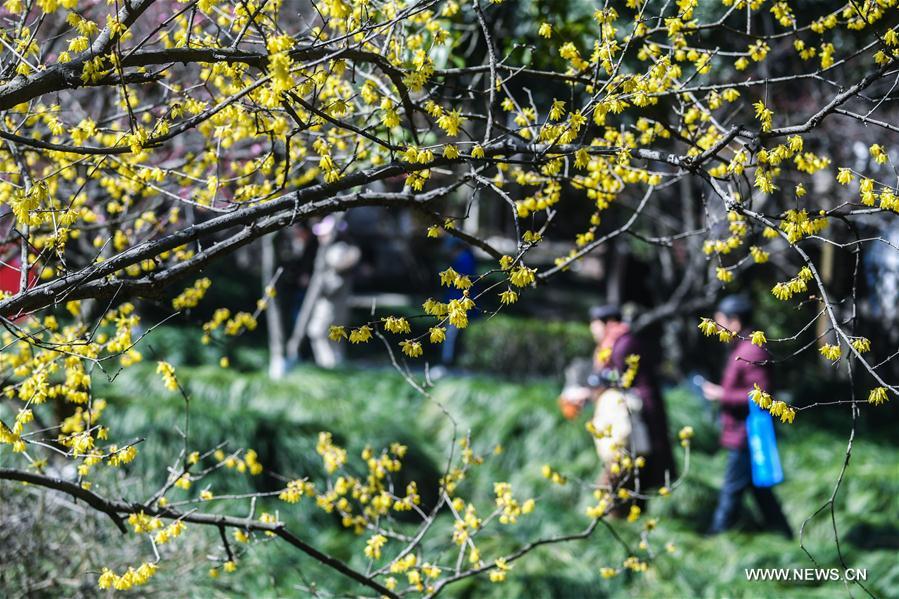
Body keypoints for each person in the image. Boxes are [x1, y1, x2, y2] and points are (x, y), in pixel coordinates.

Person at [702, 294, 793, 538]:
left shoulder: (752, 351)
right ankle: (784, 535)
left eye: (721, 322)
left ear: (735, 322)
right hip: (741, 430)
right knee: (759, 489)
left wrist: (722, 395)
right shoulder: (743, 348)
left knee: (731, 490)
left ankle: (714, 538)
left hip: (746, 432)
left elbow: (761, 395)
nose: (718, 328)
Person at [588, 305, 676, 492]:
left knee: (638, 460)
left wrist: (600, 379)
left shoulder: (624, 343)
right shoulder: (613, 343)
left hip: (640, 410)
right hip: (630, 409)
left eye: (595, 324)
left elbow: (622, 376)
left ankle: (629, 504)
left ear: (609, 323)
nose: (592, 329)